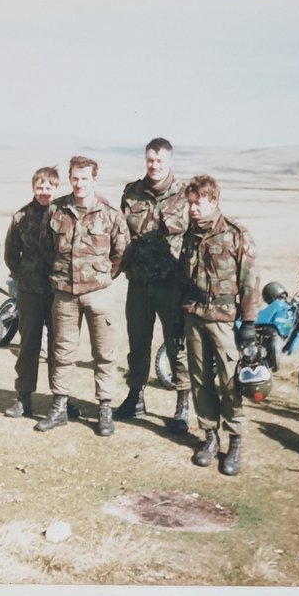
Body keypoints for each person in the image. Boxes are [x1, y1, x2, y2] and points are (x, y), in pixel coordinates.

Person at [36, 156, 130, 436]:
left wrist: (102, 276)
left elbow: (121, 252)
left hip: (98, 294)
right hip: (64, 294)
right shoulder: (56, 210)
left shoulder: (110, 214)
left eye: (85, 178)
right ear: (70, 178)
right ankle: (59, 406)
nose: (79, 184)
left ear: (95, 180)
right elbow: (46, 247)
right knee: (62, 352)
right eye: (75, 178)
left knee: (104, 353)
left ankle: (104, 408)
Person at [177, 174, 260, 476]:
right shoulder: (189, 236)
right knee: (199, 378)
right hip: (194, 316)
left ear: (213, 201)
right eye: (190, 203)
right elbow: (183, 280)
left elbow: (250, 281)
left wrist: (248, 324)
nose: (193, 209)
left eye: (198, 203)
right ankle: (209, 437)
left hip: (224, 320)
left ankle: (235, 442)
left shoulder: (236, 234)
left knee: (229, 382)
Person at [115, 138, 191, 431]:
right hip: (139, 283)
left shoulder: (185, 196)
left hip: (172, 286)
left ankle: (182, 405)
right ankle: (135, 397)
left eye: (159, 161)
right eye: (150, 160)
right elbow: (122, 236)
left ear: (170, 162)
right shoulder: (132, 193)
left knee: (177, 346)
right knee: (137, 343)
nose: (154, 165)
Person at [2, 166, 78, 421]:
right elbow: (11, 253)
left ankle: (61, 400)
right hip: (30, 292)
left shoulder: (65, 215)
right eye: (40, 187)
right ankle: (24, 399)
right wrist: (23, 275)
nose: (45, 191)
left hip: (59, 292)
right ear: (33, 187)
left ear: (57, 187)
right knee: (28, 345)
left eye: (49, 187)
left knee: (60, 346)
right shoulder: (21, 216)